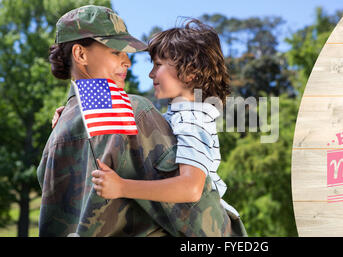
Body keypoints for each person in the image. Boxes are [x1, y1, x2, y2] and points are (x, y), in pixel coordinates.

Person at [38, 5, 243, 237]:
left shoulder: (56, 136)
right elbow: (202, 220)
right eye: (116, 51)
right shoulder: (135, 112)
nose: (128, 61)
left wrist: (73, 111)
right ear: (81, 54)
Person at [90, 19, 246, 231]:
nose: (151, 74)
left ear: (190, 72)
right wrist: (73, 113)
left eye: (158, 65)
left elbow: (191, 188)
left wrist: (122, 187)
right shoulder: (179, 116)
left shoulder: (192, 119)